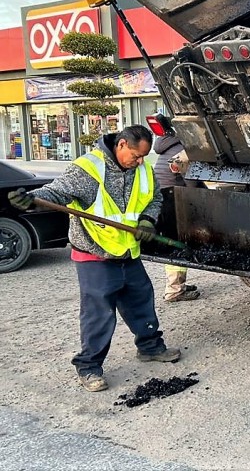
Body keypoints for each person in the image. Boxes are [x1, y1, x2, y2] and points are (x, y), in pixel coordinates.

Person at [8, 125, 182, 393]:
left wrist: (147, 221)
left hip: (128, 251)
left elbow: (153, 198)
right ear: (121, 144)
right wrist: (31, 199)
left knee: (141, 301)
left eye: (143, 157)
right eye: (135, 156)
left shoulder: (142, 169)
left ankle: (150, 347)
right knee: (99, 314)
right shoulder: (89, 169)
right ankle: (89, 366)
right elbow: (57, 192)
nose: (139, 162)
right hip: (94, 253)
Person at [153, 133, 200, 302]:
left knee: (174, 239)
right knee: (176, 241)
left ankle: (177, 285)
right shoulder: (184, 150)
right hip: (171, 197)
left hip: (162, 195)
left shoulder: (169, 146)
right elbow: (191, 181)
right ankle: (174, 290)